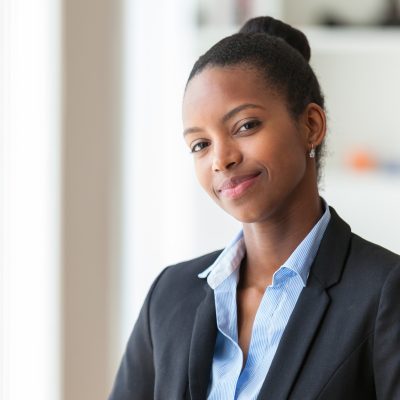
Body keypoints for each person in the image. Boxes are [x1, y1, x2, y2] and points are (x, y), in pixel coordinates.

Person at [109, 16, 400, 400]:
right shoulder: (169, 296)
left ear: (311, 125)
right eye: (200, 145)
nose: (221, 159)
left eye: (245, 126)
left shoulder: (384, 292)